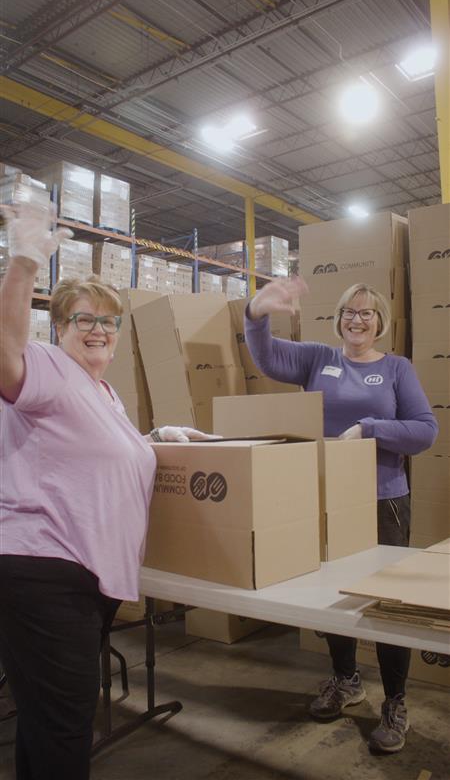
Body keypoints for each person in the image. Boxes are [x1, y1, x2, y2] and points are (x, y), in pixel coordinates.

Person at [0, 200, 216, 780]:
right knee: (67, 727)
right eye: (83, 319)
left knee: (50, 722)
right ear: (60, 327)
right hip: (47, 571)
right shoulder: (44, 365)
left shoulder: (103, 392)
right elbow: (4, 356)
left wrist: (153, 436)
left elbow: (93, 454)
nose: (98, 330)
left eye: (108, 321)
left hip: (82, 577)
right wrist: (22, 262)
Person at [245, 276, 438, 754]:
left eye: (367, 312)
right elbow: (267, 357)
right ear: (338, 319)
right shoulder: (318, 358)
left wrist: (369, 429)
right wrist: (256, 313)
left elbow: (425, 431)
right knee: (331, 596)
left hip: (382, 499)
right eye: (350, 312)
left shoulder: (397, 368)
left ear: (380, 322)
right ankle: (346, 679)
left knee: (389, 603)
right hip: (323, 498)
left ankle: (395, 700)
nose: (357, 319)